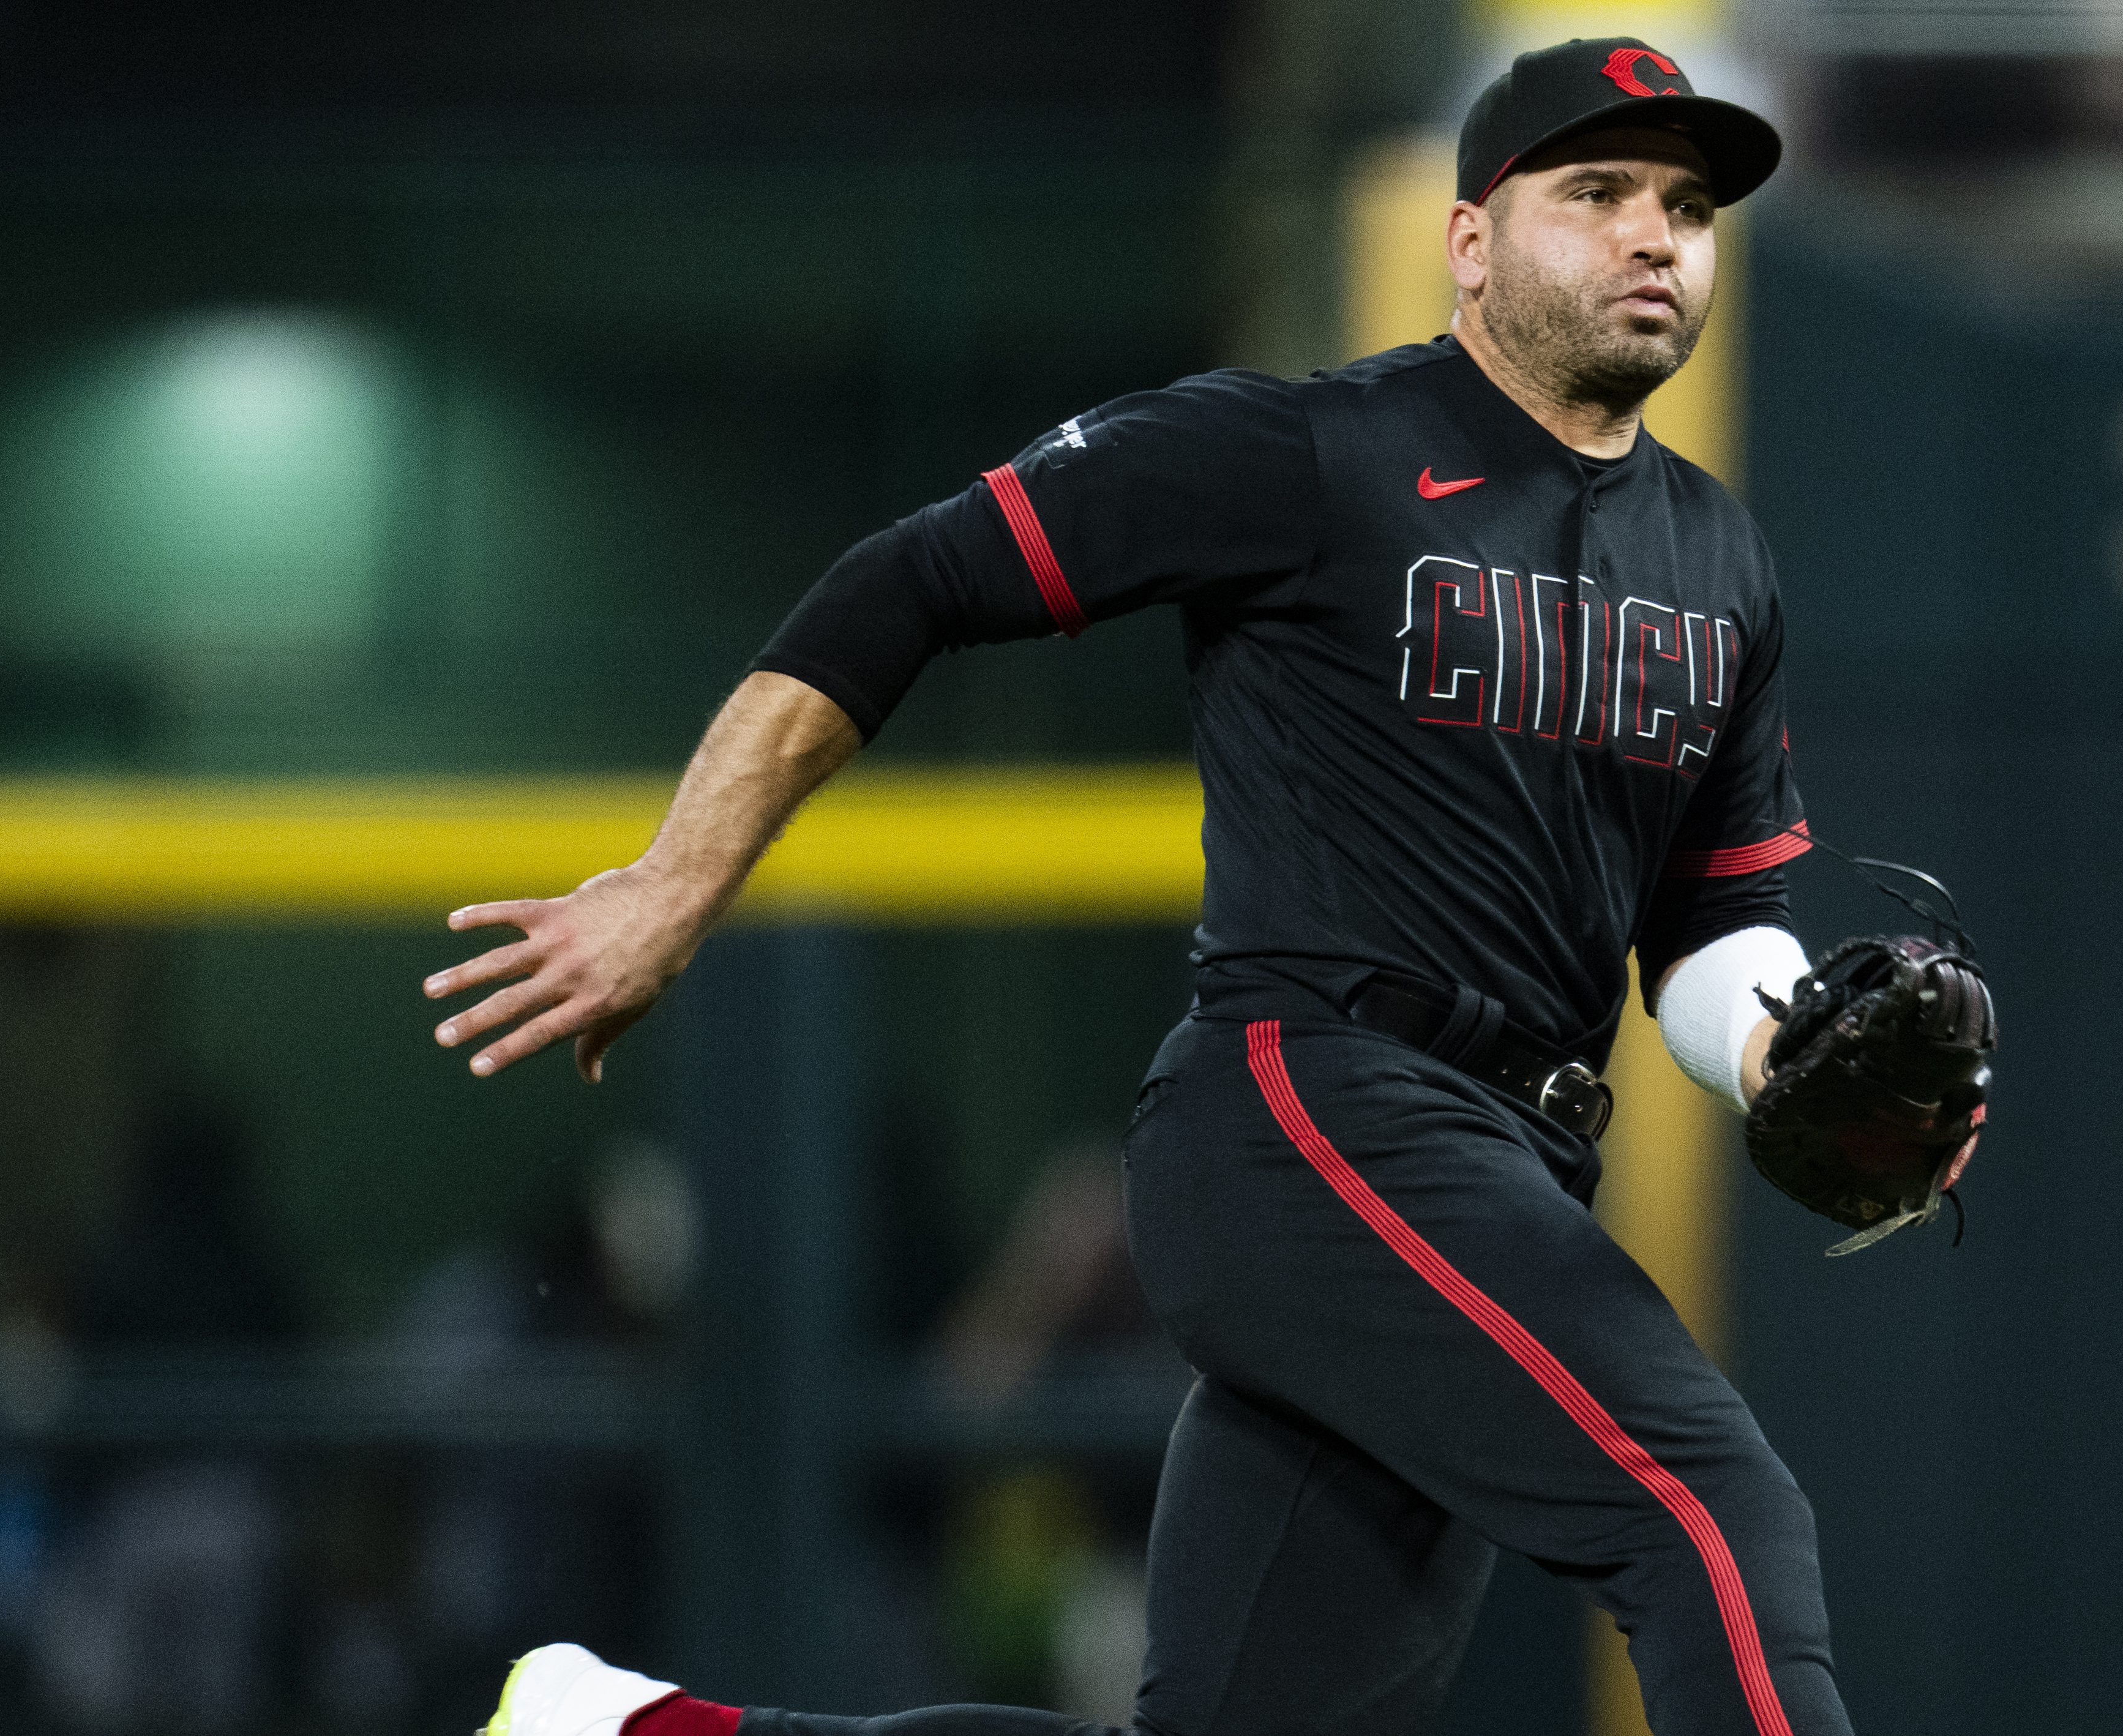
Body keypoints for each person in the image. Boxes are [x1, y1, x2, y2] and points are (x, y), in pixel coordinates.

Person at [429, 37, 1941, 1736]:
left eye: (1686, 204)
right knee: (1710, 1508)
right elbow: (911, 576)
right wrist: (672, 880)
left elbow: (1711, 923)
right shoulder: (1306, 450)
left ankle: (618, 1729)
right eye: (1595, 193)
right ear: (1469, 243)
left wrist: (1773, 1051)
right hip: (1313, 1107)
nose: (1655, 236)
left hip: (1513, 1154)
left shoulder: (1718, 553)